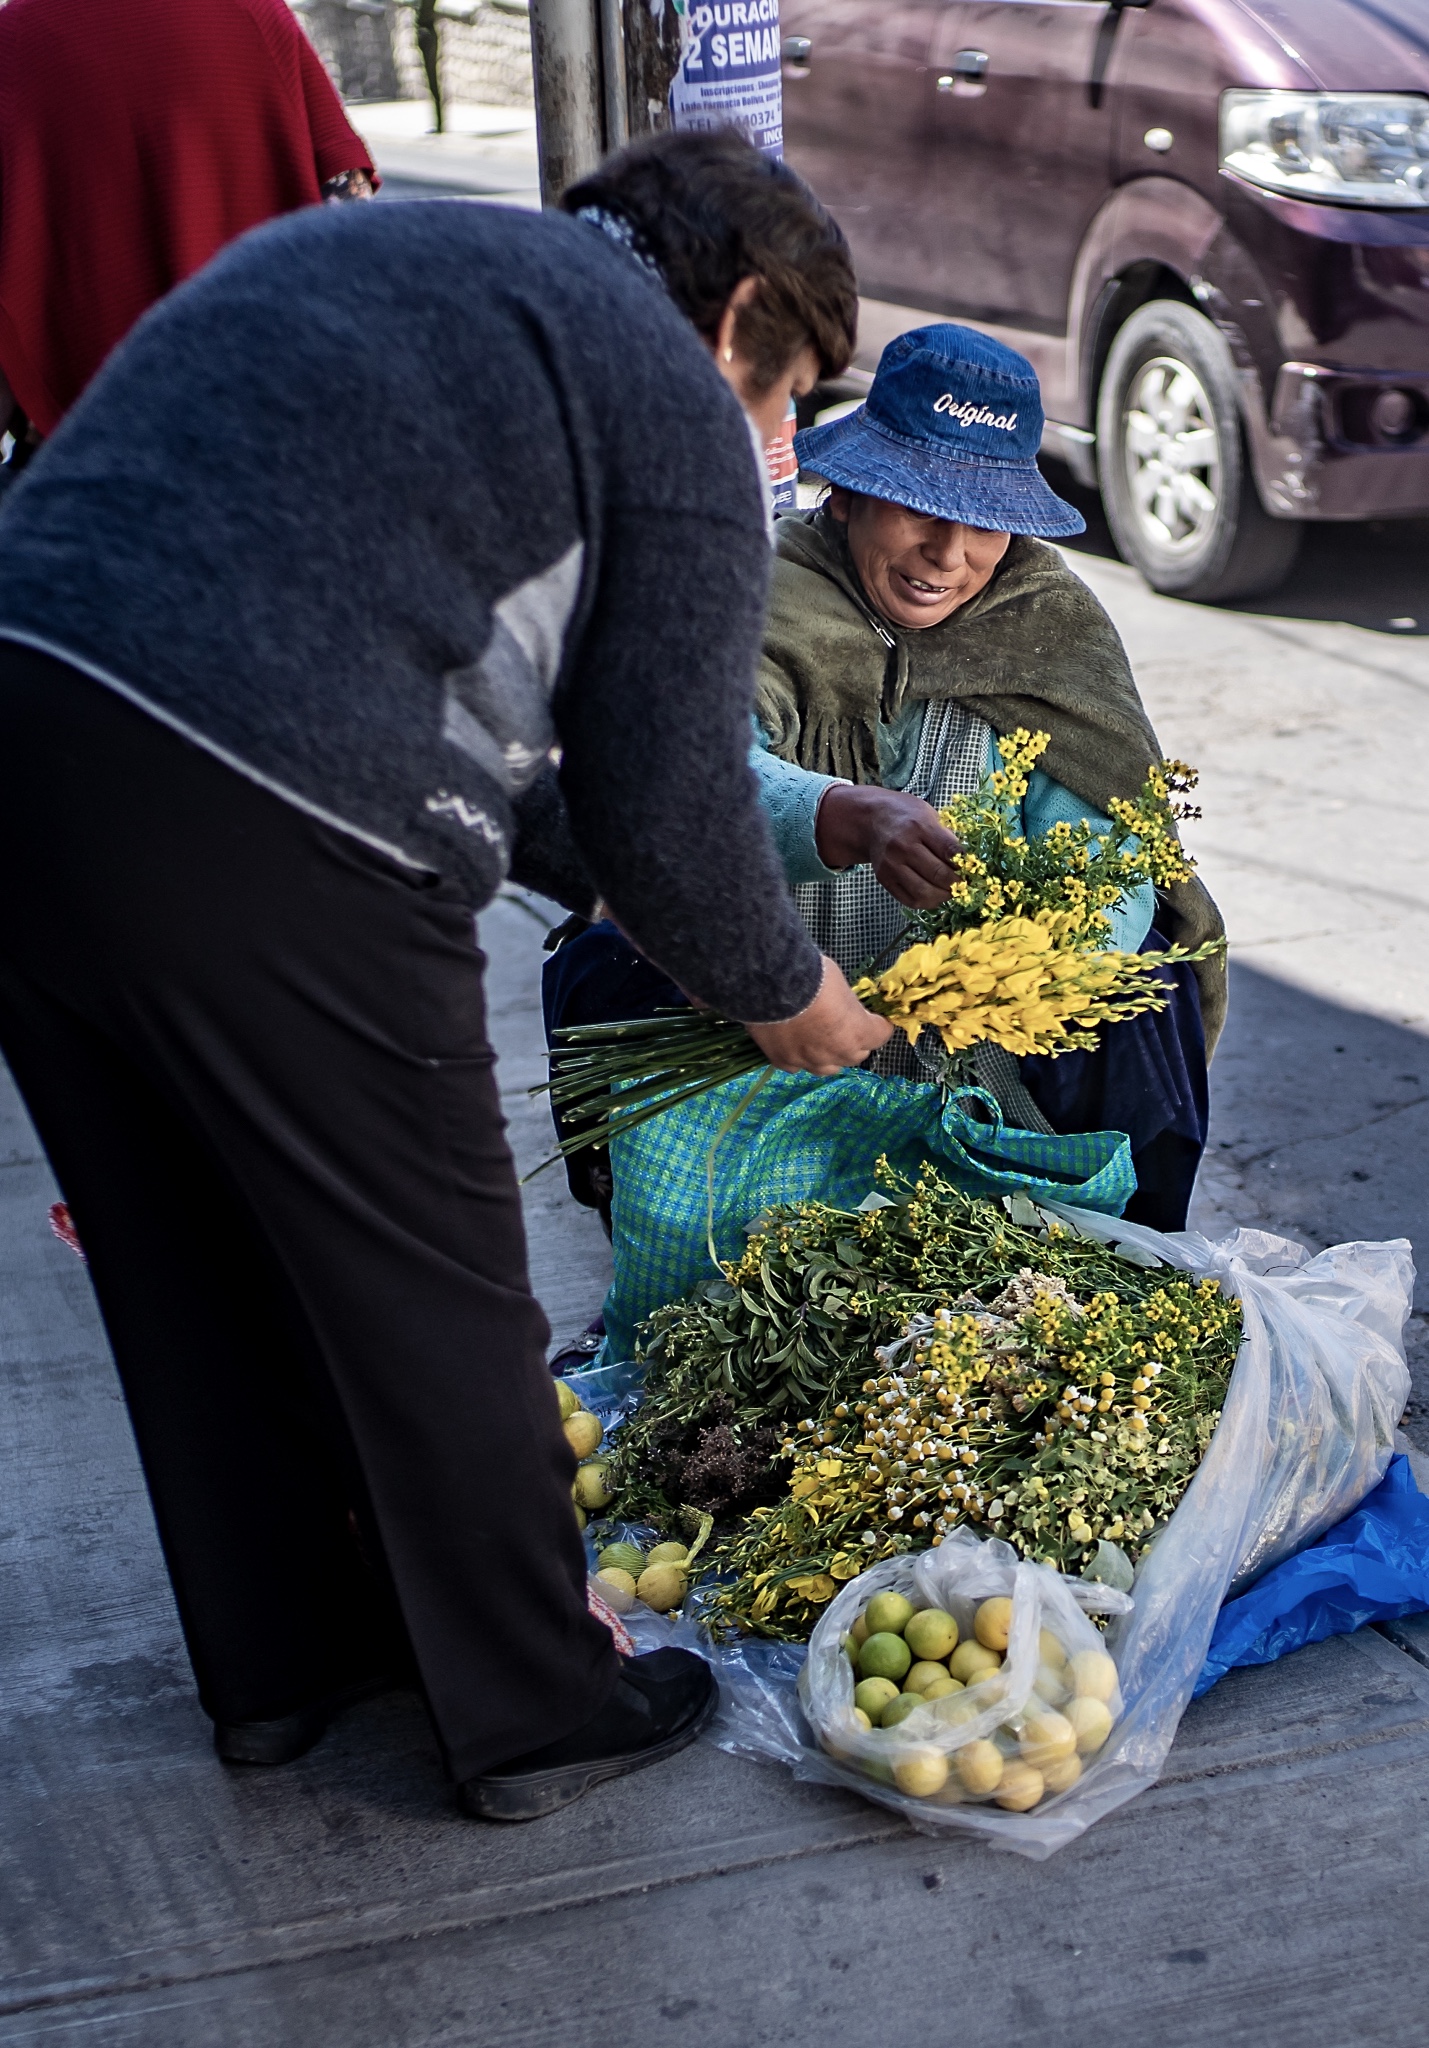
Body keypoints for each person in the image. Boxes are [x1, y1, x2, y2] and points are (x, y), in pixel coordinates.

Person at [0, 137, 887, 1822]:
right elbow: (670, 796)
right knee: (437, 1281)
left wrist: (667, 900)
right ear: (745, 311)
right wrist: (793, 998)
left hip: (32, 738)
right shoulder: (662, 383)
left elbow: (550, 784)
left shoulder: (417, 267)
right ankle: (538, 1699)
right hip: (279, 787)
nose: (776, 445)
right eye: (790, 397)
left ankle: (287, 1664)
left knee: (197, 1253)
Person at [548, 325, 1225, 1234]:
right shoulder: (756, 595)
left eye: (982, 519)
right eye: (917, 507)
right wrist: (842, 814)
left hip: (976, 1048)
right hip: (768, 1018)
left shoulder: (1047, 627)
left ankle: (1127, 1253)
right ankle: (682, 1207)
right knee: (608, 953)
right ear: (846, 497)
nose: (948, 553)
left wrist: (1027, 971)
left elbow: (1113, 848)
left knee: (1147, 985)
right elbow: (692, 783)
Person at [0, 0, 376, 463]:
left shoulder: (17, 34)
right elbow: (349, 217)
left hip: (80, 457)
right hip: (261, 441)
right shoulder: (256, 14)